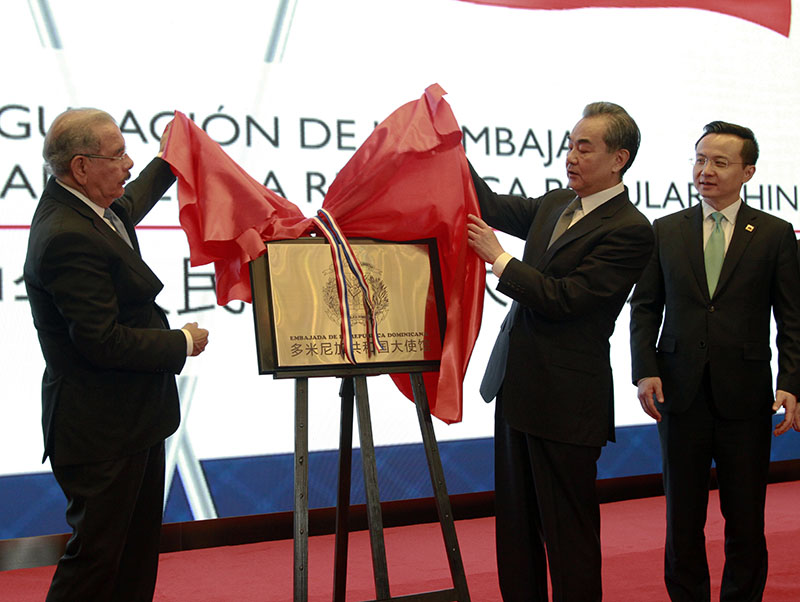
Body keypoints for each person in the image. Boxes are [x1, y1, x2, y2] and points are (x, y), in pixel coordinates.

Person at [466, 102, 654, 601]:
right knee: (516, 529)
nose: (570, 156)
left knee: (567, 537)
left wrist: (500, 260)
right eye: (570, 144)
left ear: (619, 158)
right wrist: (447, 146)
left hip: (566, 402)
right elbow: (487, 204)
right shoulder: (553, 204)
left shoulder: (631, 229)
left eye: (583, 147)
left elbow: (568, 300)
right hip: (517, 388)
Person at [24, 108, 209, 602]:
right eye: (119, 154)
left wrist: (170, 159)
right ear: (81, 166)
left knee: (132, 558)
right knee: (98, 563)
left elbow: (131, 203)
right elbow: (100, 340)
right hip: (101, 431)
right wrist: (181, 343)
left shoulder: (90, 209)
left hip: (133, 420)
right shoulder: (67, 234)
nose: (128, 164)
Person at [629, 121, 800, 601]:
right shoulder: (666, 231)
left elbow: (793, 318)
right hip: (678, 396)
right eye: (700, 159)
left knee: (745, 518)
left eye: (720, 162)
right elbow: (645, 309)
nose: (705, 170)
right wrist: (646, 368)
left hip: (745, 398)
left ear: (748, 171)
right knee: (682, 518)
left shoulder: (773, 234)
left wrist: (792, 381)